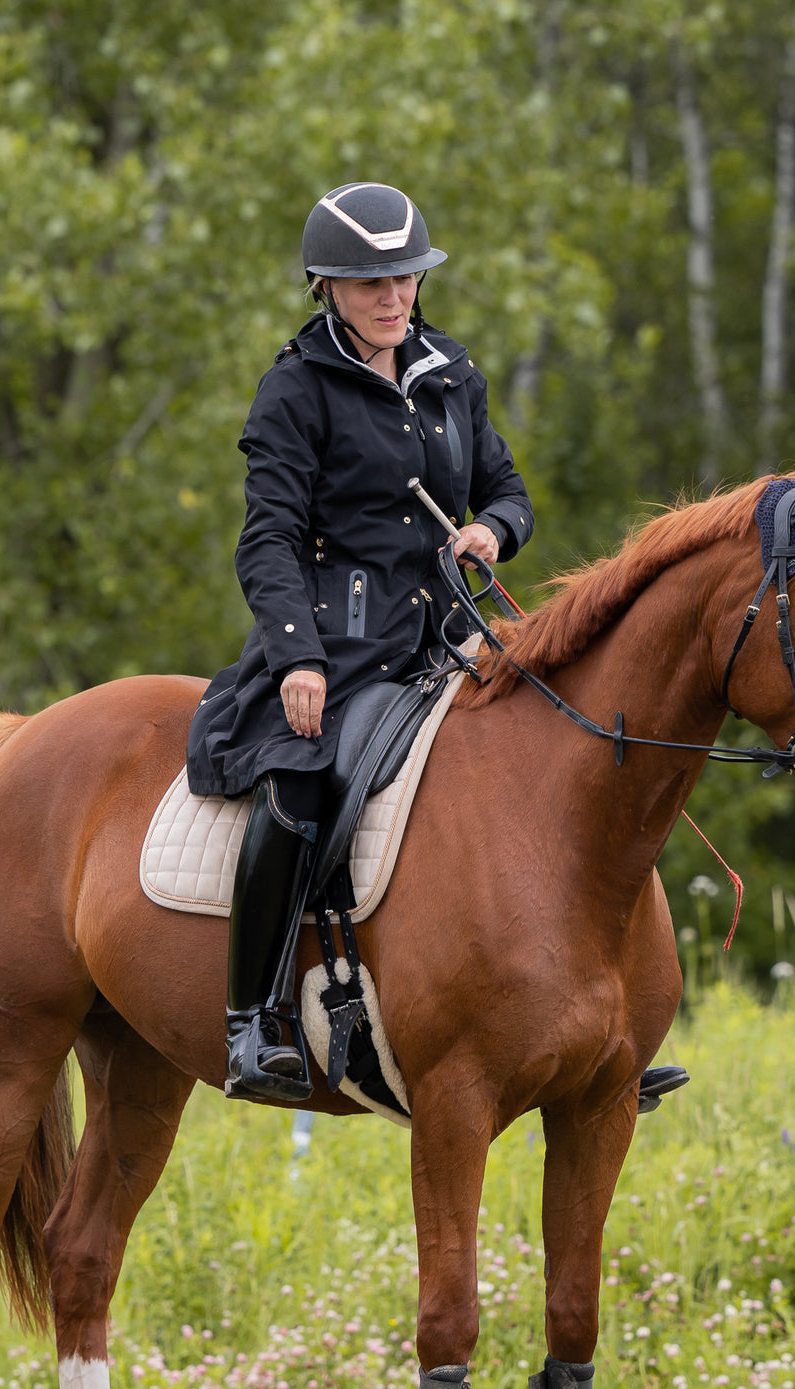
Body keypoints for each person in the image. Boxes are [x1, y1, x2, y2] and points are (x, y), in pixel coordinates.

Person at [186, 182, 535, 1106]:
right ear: (326, 287)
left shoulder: (450, 373)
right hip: (336, 650)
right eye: (369, 282)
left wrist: (492, 532)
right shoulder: (296, 389)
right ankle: (251, 1019)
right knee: (301, 780)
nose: (394, 298)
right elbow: (266, 539)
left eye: (406, 278)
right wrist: (296, 654)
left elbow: (509, 490)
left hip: (451, 638)